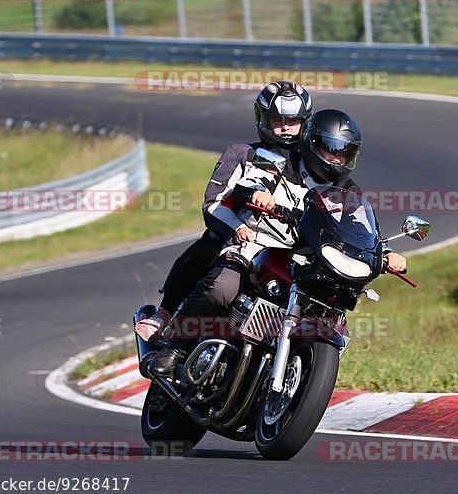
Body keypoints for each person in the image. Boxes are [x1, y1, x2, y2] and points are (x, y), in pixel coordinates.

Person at [149, 109, 407, 375]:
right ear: (313, 144)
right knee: (221, 289)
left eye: (344, 153)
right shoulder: (278, 162)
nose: (337, 159)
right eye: (331, 150)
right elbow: (249, 184)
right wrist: (256, 193)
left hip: (301, 259)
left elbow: (357, 227)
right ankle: (176, 347)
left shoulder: (347, 190)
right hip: (256, 246)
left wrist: (385, 253)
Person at [135, 82, 312, 341]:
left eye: (293, 120)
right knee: (215, 274)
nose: (285, 127)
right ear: (262, 119)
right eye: (277, 120)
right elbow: (213, 204)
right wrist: (237, 229)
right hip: (238, 243)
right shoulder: (242, 154)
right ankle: (168, 321)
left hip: (285, 255)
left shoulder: (312, 169)